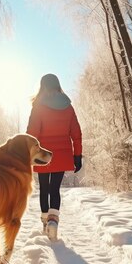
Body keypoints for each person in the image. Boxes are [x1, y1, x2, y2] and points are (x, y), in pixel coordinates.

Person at [26, 73, 83, 241]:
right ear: (58, 85)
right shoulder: (68, 106)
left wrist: (26, 154)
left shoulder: (38, 106)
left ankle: (45, 223)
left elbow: (32, 134)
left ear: (42, 86)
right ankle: (53, 224)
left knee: (44, 188)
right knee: (54, 189)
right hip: (62, 155)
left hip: (43, 156)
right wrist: (77, 156)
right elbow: (76, 134)